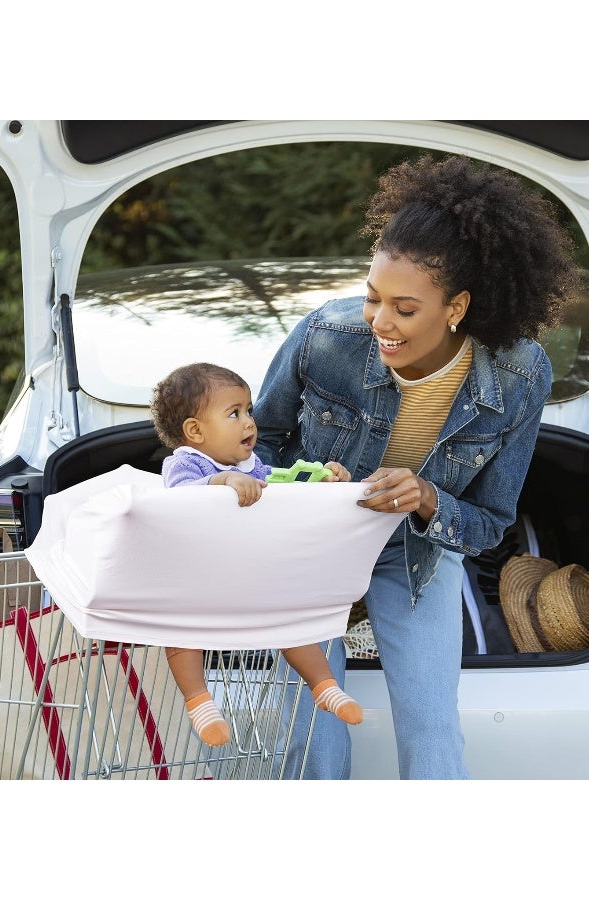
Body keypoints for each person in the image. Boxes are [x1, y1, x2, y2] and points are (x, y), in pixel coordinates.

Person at [253, 153, 580, 779]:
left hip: (417, 557)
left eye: (405, 309)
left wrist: (427, 498)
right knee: (313, 745)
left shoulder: (518, 374)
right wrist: (272, 490)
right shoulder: (327, 336)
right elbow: (258, 440)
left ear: (456, 305)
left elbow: (488, 520)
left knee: (434, 741)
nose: (379, 321)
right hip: (305, 550)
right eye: (374, 297)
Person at [150, 361, 362, 746]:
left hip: (250, 575)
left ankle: (324, 686)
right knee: (179, 629)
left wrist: (322, 479)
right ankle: (199, 703)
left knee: (292, 623)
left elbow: (282, 489)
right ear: (195, 431)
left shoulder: (253, 465)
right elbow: (179, 497)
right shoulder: (187, 462)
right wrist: (222, 481)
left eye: (249, 410)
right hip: (200, 580)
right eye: (234, 413)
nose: (249, 422)